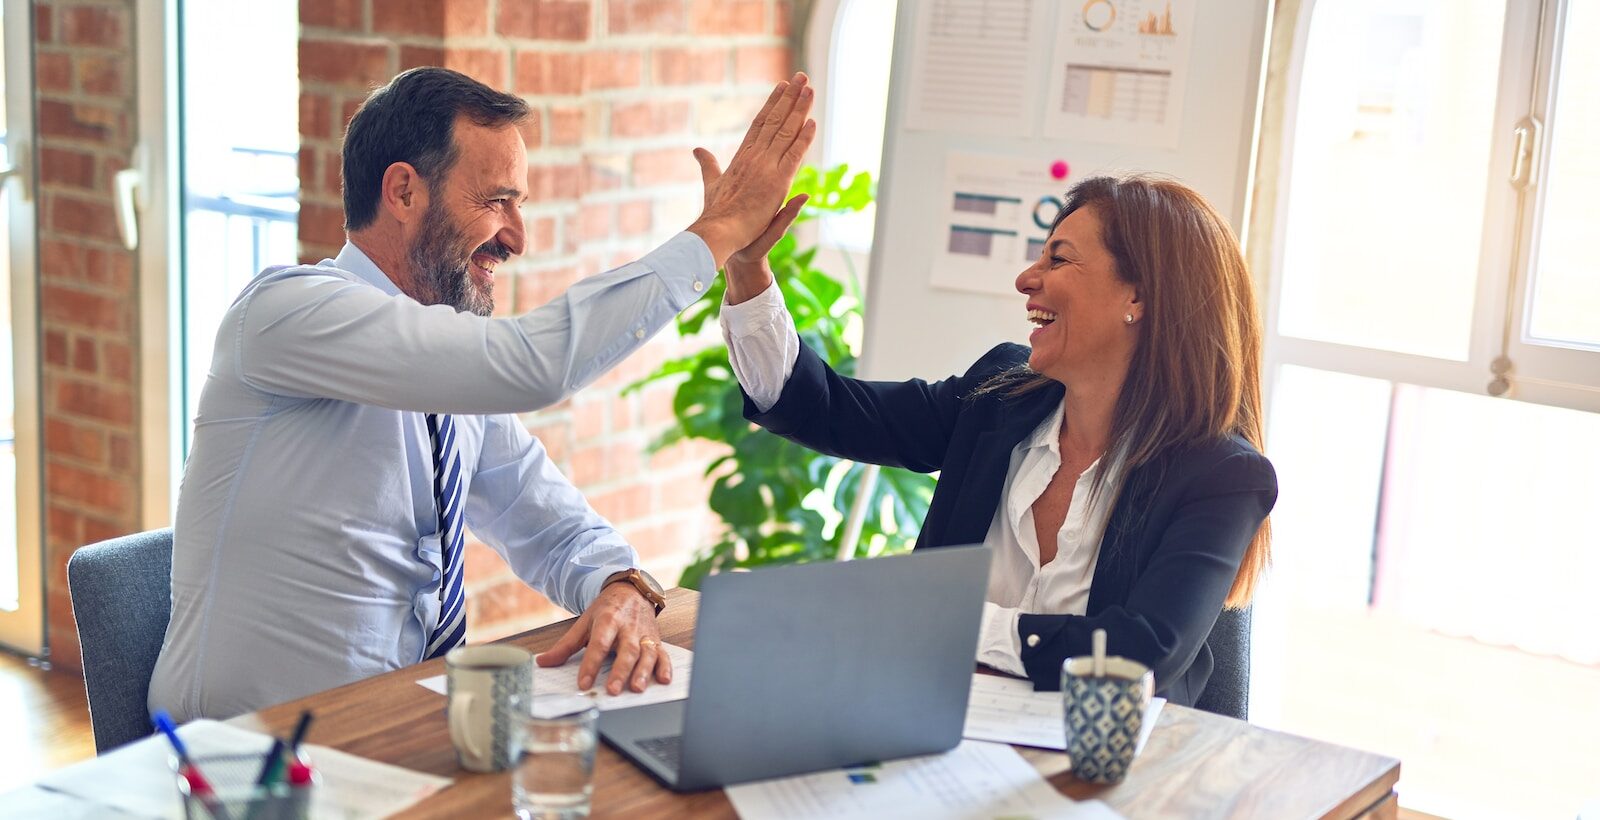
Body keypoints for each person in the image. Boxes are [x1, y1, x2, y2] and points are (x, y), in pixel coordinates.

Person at [149, 67, 816, 721]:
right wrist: (719, 232)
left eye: (519, 205)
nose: (517, 238)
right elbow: (534, 365)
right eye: (497, 200)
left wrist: (623, 585)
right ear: (404, 193)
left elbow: (548, 521)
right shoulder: (286, 313)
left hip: (397, 734)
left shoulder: (447, 377)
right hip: (246, 762)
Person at [719, 174, 1277, 706]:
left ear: (1139, 297)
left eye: (1057, 258)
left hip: (1107, 776)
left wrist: (947, 620)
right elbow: (825, 409)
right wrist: (748, 268)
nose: (1026, 279)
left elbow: (1137, 656)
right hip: (933, 730)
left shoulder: (1222, 475)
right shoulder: (1000, 397)